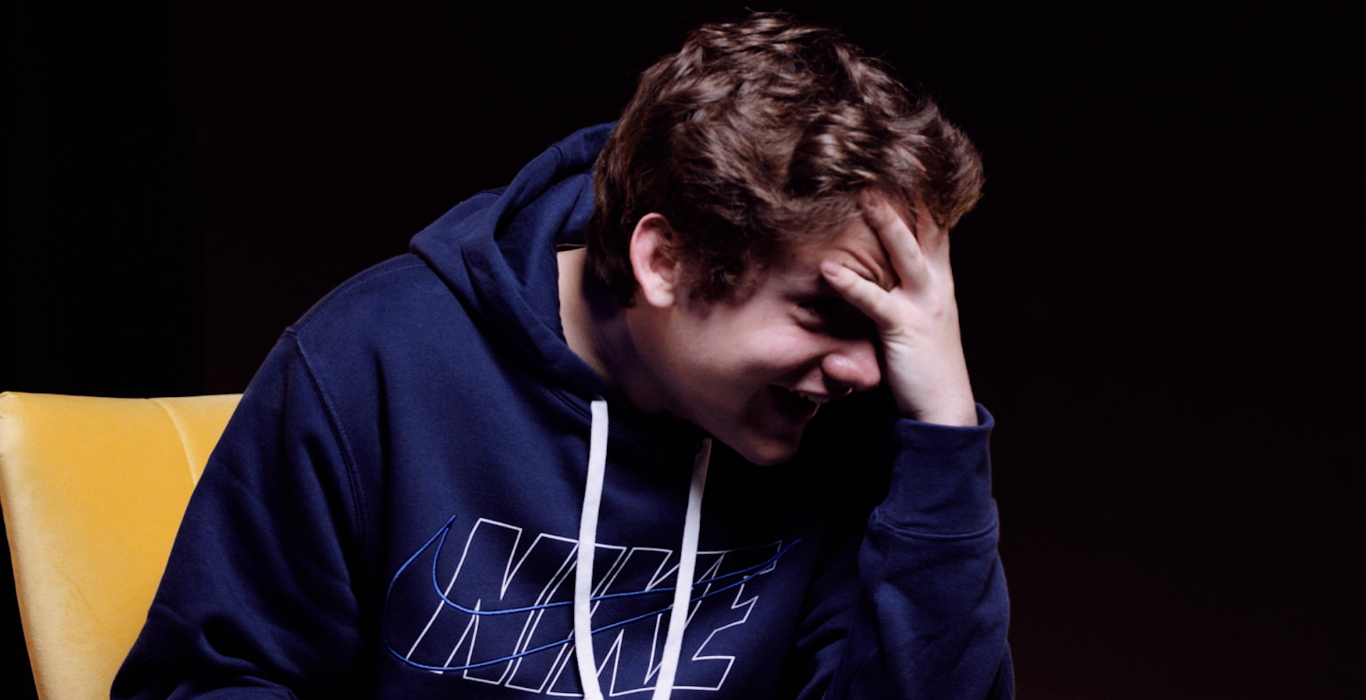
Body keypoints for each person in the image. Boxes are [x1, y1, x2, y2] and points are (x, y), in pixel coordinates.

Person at [114, 11, 1011, 700]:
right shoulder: (372, 360)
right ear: (666, 261)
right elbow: (208, 682)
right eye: (823, 310)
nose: (863, 370)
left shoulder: (851, 421)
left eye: (890, 323)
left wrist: (944, 429)